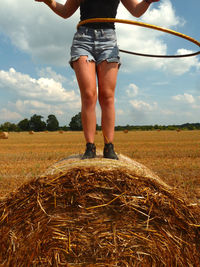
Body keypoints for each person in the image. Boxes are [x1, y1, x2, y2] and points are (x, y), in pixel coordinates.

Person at [35, 0, 160, 159]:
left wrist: (148, 1)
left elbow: (136, 10)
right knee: (88, 95)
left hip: (108, 41)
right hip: (83, 40)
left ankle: (109, 146)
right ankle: (90, 147)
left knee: (107, 96)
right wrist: (49, 1)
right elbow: (66, 11)